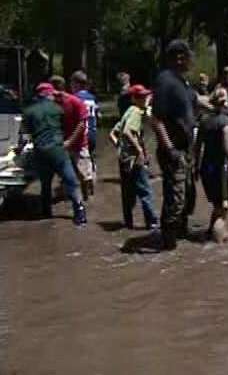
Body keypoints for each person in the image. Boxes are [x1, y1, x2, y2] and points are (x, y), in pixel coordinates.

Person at [151, 39, 197, 250]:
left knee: (187, 196)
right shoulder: (165, 81)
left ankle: (180, 235)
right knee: (176, 200)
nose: (191, 61)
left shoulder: (182, 82)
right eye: (189, 56)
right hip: (174, 150)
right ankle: (168, 246)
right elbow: (156, 119)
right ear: (179, 57)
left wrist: (216, 102)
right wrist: (169, 148)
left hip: (186, 150)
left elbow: (197, 101)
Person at [21, 83, 87, 226]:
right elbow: (65, 127)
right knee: (71, 180)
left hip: (40, 151)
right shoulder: (58, 109)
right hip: (58, 150)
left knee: (46, 182)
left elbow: (25, 136)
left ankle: (46, 211)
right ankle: (80, 212)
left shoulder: (28, 111)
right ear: (49, 94)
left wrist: (19, 149)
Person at [194, 88, 228, 243]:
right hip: (219, 169)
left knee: (216, 205)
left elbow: (197, 147)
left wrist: (196, 168)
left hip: (205, 168)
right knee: (223, 207)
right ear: (225, 103)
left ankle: (210, 232)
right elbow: (227, 149)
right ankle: (219, 241)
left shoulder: (203, 121)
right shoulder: (225, 122)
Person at [109, 84, 158, 230]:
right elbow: (127, 132)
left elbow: (112, 133)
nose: (145, 99)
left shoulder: (129, 111)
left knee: (128, 192)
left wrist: (120, 147)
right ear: (134, 99)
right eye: (142, 97)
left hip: (124, 158)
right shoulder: (136, 112)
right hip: (134, 158)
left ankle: (128, 222)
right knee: (145, 190)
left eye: (145, 96)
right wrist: (139, 151)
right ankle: (152, 222)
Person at [49, 75, 92, 202]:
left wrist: (70, 141)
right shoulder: (51, 103)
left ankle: (85, 196)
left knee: (82, 174)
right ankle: (67, 195)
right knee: (63, 172)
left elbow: (82, 124)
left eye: (57, 89)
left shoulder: (75, 101)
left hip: (78, 143)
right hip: (61, 143)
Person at [71, 71, 100, 196]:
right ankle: (92, 176)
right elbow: (98, 114)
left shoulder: (75, 98)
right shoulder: (92, 97)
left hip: (82, 133)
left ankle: (85, 181)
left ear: (76, 84)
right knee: (90, 157)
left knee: (79, 159)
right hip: (93, 132)